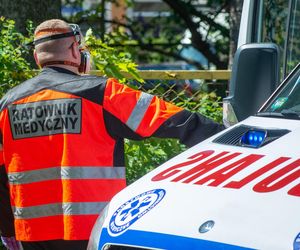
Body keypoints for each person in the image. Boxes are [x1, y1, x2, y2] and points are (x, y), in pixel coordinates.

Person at [0, 19, 224, 250]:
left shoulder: (7, 105)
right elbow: (177, 120)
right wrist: (230, 139)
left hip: (32, 234)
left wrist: (8, 231)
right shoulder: (101, 92)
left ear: (37, 59)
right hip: (94, 230)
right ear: (75, 51)